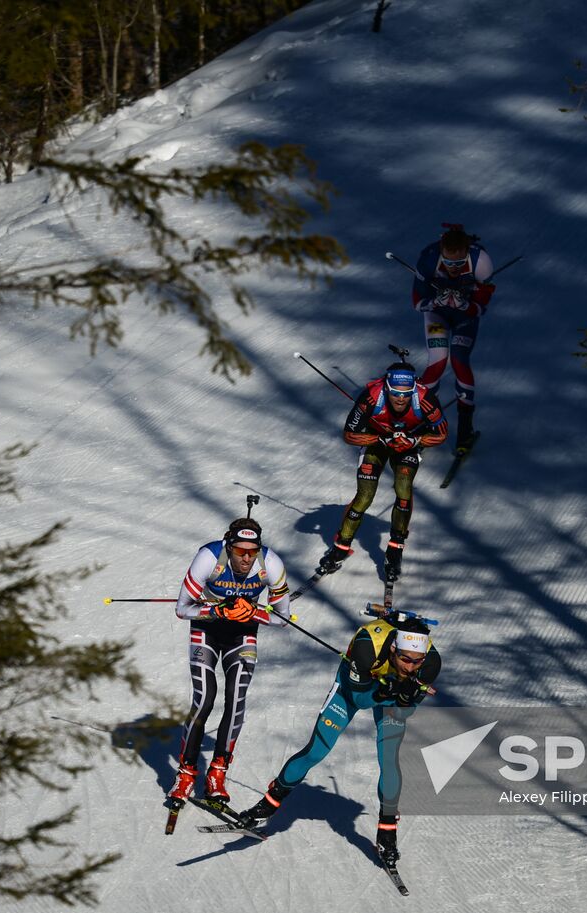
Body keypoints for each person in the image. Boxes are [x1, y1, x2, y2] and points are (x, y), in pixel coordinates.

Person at [236, 616, 441, 865]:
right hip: (352, 688)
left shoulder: (429, 664)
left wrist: (407, 697)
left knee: (389, 759)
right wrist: (384, 691)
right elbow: (360, 700)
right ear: (394, 650)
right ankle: (267, 806)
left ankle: (387, 831)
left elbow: (405, 711)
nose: (410, 667)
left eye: (415, 662)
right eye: (405, 660)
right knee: (316, 751)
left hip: (387, 695)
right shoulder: (368, 648)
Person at [169, 517, 291, 806]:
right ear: (229, 546)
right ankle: (186, 774)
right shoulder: (209, 557)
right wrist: (219, 610)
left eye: (252, 552)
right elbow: (182, 609)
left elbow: (283, 618)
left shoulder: (271, 564)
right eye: (240, 552)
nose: (247, 559)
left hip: (243, 634)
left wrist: (254, 613)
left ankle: (217, 774)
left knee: (236, 699)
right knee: (204, 699)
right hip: (206, 631)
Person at [318, 361, 448, 582]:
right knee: (365, 494)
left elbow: (441, 434)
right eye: (396, 393)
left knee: (403, 488)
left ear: (413, 389)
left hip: (407, 445)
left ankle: (395, 549)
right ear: (387, 388)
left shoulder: (425, 399)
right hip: (376, 441)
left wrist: (415, 439)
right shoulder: (371, 396)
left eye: (406, 394)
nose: (401, 398)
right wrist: (380, 438)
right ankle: (342, 545)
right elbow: (349, 434)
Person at [410, 224, 494, 451]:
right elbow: (417, 302)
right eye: (448, 263)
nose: (453, 268)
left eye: (458, 263)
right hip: (437, 315)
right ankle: (421, 422)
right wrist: (435, 302)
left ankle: (465, 430)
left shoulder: (481, 261)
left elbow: (481, 307)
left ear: (467, 251)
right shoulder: (428, 259)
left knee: (458, 359)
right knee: (437, 362)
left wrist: (467, 304)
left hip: (464, 318)